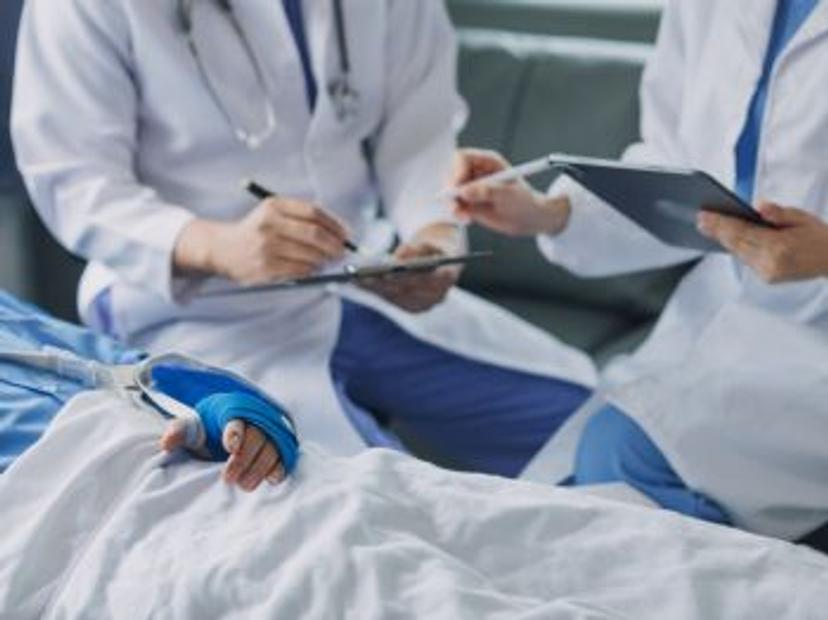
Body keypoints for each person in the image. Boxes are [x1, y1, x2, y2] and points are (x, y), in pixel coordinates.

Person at [11, 0, 596, 479]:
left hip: (354, 280)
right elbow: (72, 176)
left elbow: (419, 127)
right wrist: (215, 246)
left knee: (599, 430)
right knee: (366, 509)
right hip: (189, 307)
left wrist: (432, 234)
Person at [452, 0, 828, 529]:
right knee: (564, 495)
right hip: (728, 319)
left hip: (817, 348)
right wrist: (547, 213)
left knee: (624, 462)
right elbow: (676, 169)